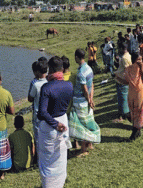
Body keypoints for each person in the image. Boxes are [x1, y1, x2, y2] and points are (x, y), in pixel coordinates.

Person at [37, 56, 73, 188]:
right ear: (62, 69)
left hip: (50, 126)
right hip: (63, 121)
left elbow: (42, 113)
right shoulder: (69, 85)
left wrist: (55, 124)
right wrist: (59, 123)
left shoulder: (46, 87)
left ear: (50, 69)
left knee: (47, 160)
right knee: (60, 158)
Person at [69, 49, 101, 156]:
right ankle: (90, 144)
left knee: (82, 124)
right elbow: (91, 85)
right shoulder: (89, 69)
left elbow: (85, 89)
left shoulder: (81, 73)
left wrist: (88, 100)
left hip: (81, 101)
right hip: (87, 100)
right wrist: (91, 100)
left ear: (77, 57)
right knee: (89, 121)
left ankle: (83, 149)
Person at [123, 53, 143, 141]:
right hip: (134, 94)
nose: (140, 62)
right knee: (135, 112)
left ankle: (134, 134)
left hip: (138, 94)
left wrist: (141, 69)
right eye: (139, 59)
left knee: (138, 112)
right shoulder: (132, 69)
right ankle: (137, 131)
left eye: (141, 59)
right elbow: (126, 80)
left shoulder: (141, 68)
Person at [28, 60, 48, 147]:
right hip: (47, 112)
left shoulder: (36, 84)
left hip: (37, 113)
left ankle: (39, 154)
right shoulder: (49, 82)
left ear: (38, 72)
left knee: (38, 135)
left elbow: (30, 98)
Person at [113, 43, 132, 122]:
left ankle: (124, 115)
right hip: (122, 80)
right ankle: (122, 113)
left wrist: (124, 80)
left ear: (121, 48)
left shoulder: (124, 58)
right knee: (122, 98)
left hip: (122, 81)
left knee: (123, 98)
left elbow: (127, 70)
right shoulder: (128, 55)